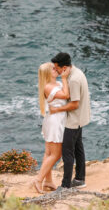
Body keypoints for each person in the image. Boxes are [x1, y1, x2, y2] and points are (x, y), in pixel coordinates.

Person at [48, 51, 90, 189]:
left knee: (67, 153)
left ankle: (65, 186)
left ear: (64, 68)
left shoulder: (73, 80)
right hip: (81, 117)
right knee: (78, 148)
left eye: (57, 68)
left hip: (74, 120)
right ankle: (80, 179)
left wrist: (56, 110)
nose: (56, 71)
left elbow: (74, 104)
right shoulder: (76, 71)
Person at [32, 61, 69, 193]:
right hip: (55, 122)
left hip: (56, 120)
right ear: (48, 73)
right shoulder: (48, 87)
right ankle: (38, 180)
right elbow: (66, 95)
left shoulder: (57, 84)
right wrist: (65, 78)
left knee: (48, 153)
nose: (56, 69)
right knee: (56, 154)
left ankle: (48, 181)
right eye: (53, 69)